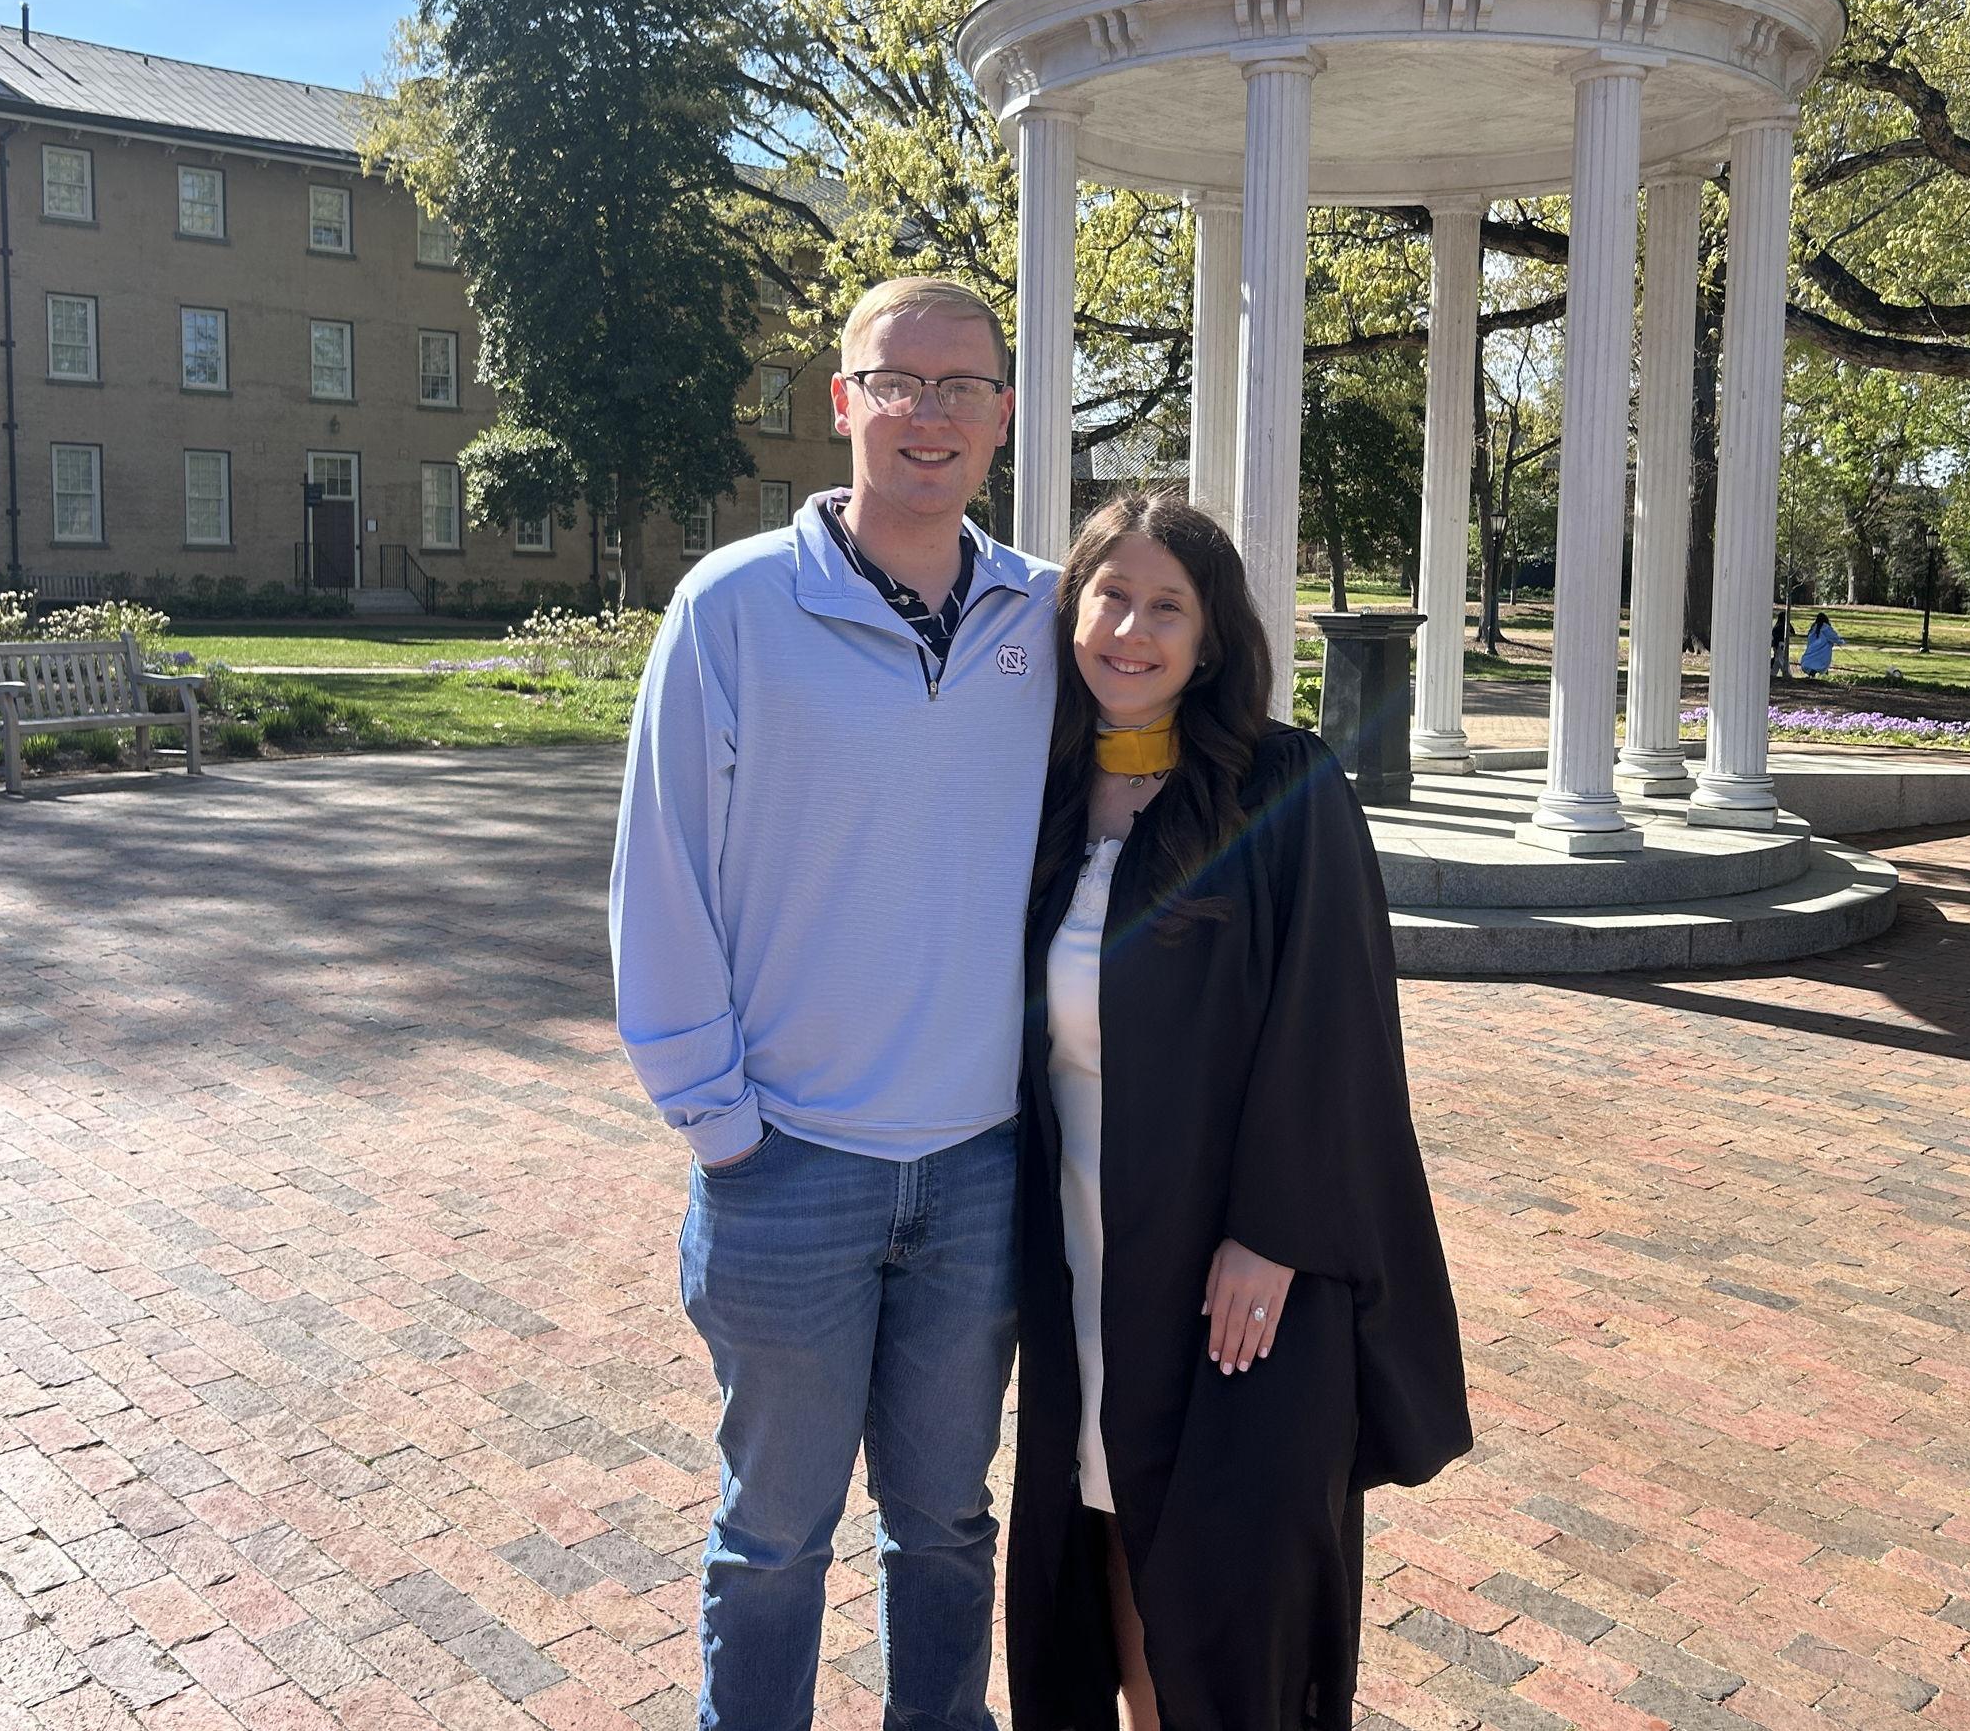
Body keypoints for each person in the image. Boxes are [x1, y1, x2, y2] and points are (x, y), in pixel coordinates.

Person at [610, 276, 1060, 1731]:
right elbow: (661, 868)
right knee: (772, 1538)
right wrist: (718, 1120)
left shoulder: (1050, 619)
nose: (929, 413)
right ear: (842, 400)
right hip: (788, 1161)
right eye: (899, 381)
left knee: (945, 1524)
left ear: (1002, 414)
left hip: (982, 1165)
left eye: (962, 386)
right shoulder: (734, 606)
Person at [1006, 491, 1471, 1731]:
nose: (1131, 630)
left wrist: (1274, 1228)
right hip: (1081, 1234)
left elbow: (1337, 1023)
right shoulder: (1042, 795)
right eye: (1109, 596)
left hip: (1231, 1252)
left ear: (1208, 640)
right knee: (1099, 1509)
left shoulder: (1279, 785)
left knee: (1226, 1560)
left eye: (1168, 607)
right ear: (1071, 613)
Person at [1799, 611, 1843, 679]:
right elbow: (1833, 636)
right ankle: (1824, 675)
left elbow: (1809, 639)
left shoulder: (1813, 628)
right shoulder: (1826, 628)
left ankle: (1813, 675)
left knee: (1812, 662)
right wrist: (1840, 642)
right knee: (1822, 663)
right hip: (1823, 651)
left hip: (1813, 649)